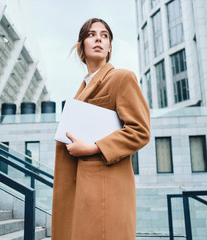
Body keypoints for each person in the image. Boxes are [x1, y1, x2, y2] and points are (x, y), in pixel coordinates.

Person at [51, 18, 150, 240]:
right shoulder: (82, 88)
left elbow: (140, 130)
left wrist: (94, 147)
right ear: (81, 46)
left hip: (106, 189)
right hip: (82, 189)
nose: (98, 38)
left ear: (109, 47)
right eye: (91, 34)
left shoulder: (122, 77)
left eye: (104, 35)